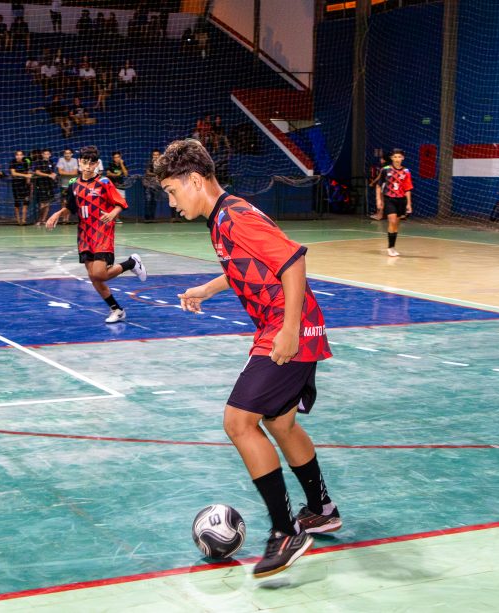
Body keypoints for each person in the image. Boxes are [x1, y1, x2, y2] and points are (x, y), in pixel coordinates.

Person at [154, 139, 338, 579]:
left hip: (288, 328)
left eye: (172, 192)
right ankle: (321, 510)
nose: (171, 202)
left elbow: (292, 262)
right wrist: (207, 289)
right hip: (287, 326)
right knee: (280, 423)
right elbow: (247, 263)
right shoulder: (224, 216)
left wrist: (289, 330)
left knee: (238, 421)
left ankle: (284, 533)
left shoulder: (233, 217)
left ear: (195, 181)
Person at [46, 145, 147, 323]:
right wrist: (57, 214)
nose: (87, 166)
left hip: (102, 231)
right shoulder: (73, 185)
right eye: (84, 162)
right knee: (94, 277)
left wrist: (113, 214)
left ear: (96, 165)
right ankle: (117, 310)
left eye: (91, 163)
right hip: (84, 234)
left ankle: (132, 262)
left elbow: (121, 203)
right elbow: (70, 207)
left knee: (99, 274)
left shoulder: (104, 183)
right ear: (79, 162)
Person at [370, 148, 413, 257]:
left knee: (396, 225)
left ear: (403, 158)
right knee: (392, 221)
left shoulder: (406, 171)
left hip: (401, 199)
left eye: (399, 157)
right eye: (395, 157)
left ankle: (393, 246)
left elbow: (408, 188)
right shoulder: (386, 169)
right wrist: (378, 200)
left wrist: (409, 204)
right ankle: (389, 247)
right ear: (391, 158)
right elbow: (379, 185)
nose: (397, 159)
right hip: (389, 198)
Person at [32, 148, 56, 225]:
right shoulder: (38, 162)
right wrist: (48, 175)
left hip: (49, 184)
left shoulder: (51, 162)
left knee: (48, 203)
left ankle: (44, 220)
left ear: (50, 155)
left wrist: (53, 174)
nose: (46, 155)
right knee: (42, 203)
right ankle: (39, 220)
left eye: (48, 154)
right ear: (42, 154)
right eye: (44, 154)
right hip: (41, 184)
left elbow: (52, 172)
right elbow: (37, 172)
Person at [9, 149, 32, 225]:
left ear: (23, 155)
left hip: (25, 185)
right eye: (17, 155)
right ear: (15, 156)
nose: (19, 156)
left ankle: (24, 220)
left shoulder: (26, 162)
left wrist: (28, 178)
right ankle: (18, 220)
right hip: (16, 185)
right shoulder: (12, 162)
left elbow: (29, 172)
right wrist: (25, 175)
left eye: (20, 155)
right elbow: (13, 173)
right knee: (17, 203)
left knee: (25, 202)